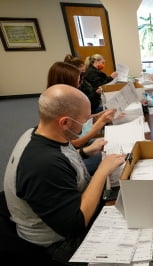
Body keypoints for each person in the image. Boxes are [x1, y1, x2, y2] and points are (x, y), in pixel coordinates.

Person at [3, 84, 126, 264]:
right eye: (85, 120)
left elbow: (62, 157)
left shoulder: (38, 133)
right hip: (58, 242)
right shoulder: (43, 164)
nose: (87, 124)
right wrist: (101, 171)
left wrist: (86, 151)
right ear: (65, 122)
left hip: (62, 206)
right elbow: (76, 224)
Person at [47, 61, 117, 175]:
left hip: (74, 151)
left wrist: (98, 116)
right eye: (78, 81)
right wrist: (101, 121)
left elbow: (83, 121)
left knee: (110, 147)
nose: (80, 84)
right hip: (70, 158)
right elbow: (76, 143)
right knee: (110, 155)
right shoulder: (61, 106)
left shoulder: (58, 100)